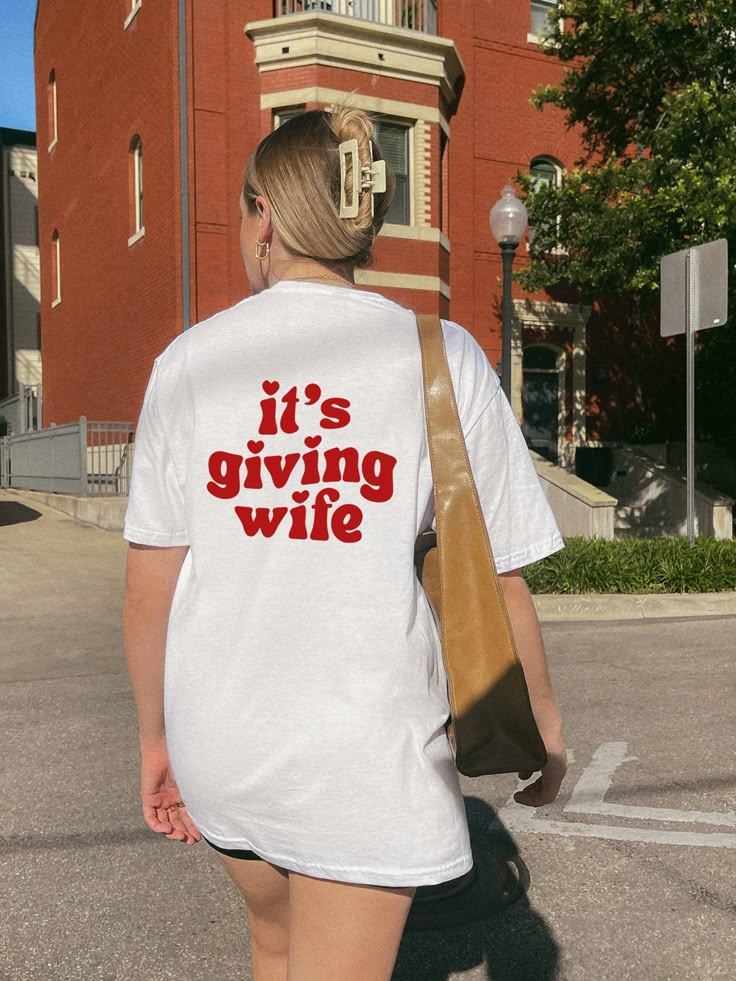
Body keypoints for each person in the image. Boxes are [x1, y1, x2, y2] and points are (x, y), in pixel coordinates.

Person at [122, 106, 568, 981]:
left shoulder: (188, 362)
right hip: (362, 753)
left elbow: (150, 587)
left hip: (224, 739)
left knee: (277, 947)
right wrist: (543, 721)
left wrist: (156, 738)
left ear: (266, 215)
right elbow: (498, 573)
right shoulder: (441, 353)